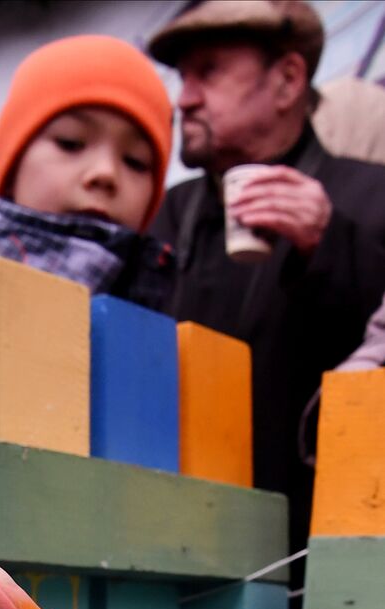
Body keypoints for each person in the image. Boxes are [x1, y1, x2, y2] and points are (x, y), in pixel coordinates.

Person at [147, 0, 385, 579]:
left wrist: (330, 244)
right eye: (182, 78)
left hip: (326, 564)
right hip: (171, 544)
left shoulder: (372, 197)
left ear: (286, 81)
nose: (185, 99)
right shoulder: (170, 214)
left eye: (208, 71)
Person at [0, 35, 175, 311]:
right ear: (12, 170)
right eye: (70, 143)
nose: (105, 173)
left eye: (135, 161)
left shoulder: (157, 304)